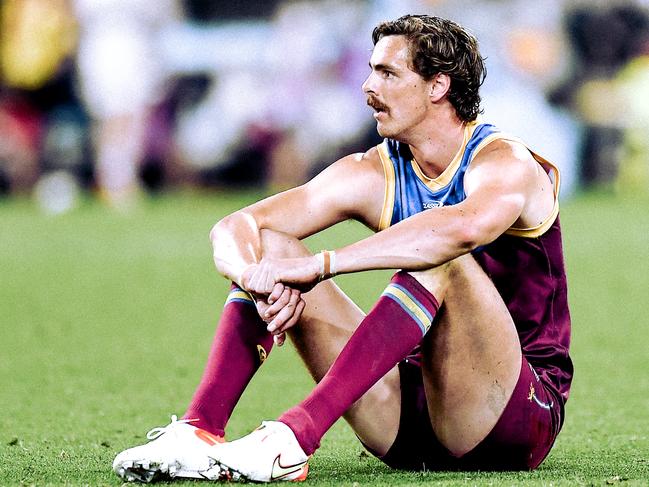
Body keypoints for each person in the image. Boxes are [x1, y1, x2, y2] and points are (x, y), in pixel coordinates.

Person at [113, 14, 572, 483]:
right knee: (271, 247)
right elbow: (237, 225)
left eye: (388, 73)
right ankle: (199, 431)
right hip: (408, 421)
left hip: (515, 417)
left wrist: (324, 265)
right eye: (371, 70)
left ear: (437, 86)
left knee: (446, 260)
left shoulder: (503, 161)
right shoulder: (374, 171)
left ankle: (294, 437)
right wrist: (254, 275)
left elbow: (460, 230)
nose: (368, 86)